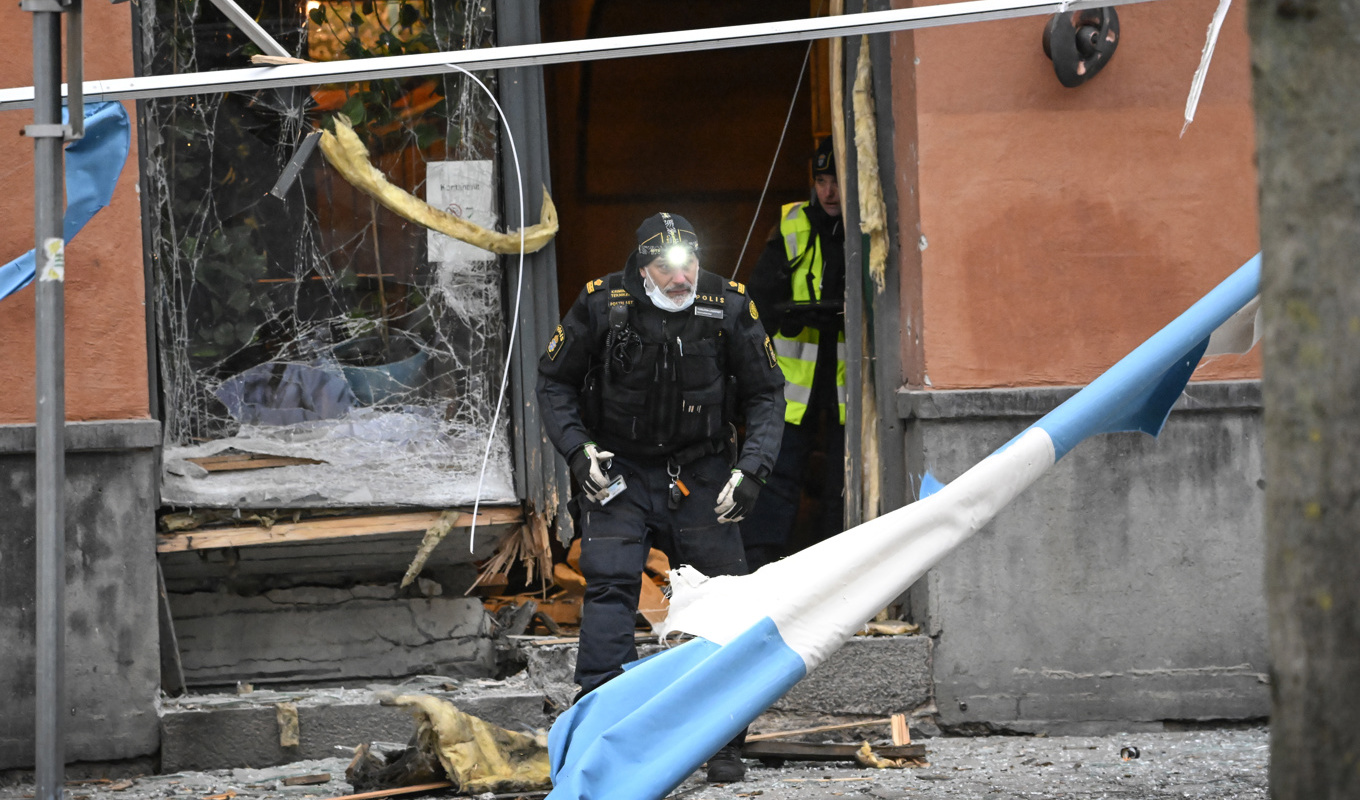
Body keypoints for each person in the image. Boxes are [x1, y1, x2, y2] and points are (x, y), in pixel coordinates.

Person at [537, 212, 786, 783]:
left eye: (690, 263)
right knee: (609, 587)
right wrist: (579, 452)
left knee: (723, 601)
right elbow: (554, 380)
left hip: (700, 471)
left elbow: (768, 394)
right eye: (666, 268)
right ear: (643, 268)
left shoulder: (728, 306)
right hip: (619, 469)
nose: (682, 278)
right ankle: (600, 732)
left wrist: (751, 471)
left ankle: (723, 740)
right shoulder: (603, 303)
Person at [742, 136, 847, 571]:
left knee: (841, 475)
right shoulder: (792, 225)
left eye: (836, 180)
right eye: (821, 181)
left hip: (846, 378)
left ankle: (838, 556)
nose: (829, 192)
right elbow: (756, 300)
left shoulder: (867, 226)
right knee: (781, 469)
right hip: (796, 379)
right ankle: (762, 560)